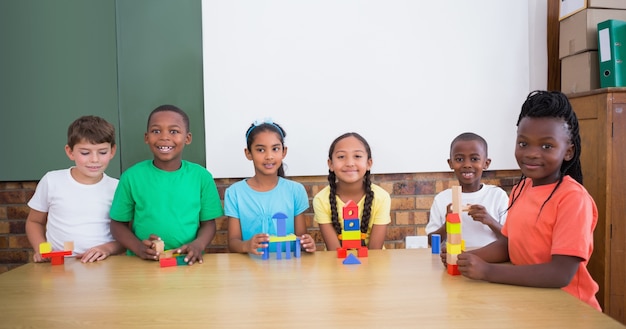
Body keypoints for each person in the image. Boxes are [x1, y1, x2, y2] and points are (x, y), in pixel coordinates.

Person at [449, 90, 601, 311]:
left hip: (570, 310)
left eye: (546, 146)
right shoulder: (522, 188)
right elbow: (509, 245)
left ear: (568, 152)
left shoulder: (573, 199)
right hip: (529, 303)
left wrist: (488, 271)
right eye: (523, 144)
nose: (531, 153)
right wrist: (464, 258)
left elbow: (560, 273)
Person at [109, 105, 223, 265]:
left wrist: (198, 244)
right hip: (143, 264)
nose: (164, 137)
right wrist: (138, 247)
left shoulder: (201, 177)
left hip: (187, 262)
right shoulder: (131, 177)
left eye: (174, 131)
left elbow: (209, 224)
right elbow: (117, 224)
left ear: (187, 138)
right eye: (156, 131)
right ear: (146, 137)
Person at [26, 115, 125, 263]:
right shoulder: (52, 181)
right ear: (70, 151)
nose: (94, 159)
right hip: (59, 267)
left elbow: (126, 236)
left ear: (112, 151)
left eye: (102, 152)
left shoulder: (117, 188)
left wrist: (106, 249)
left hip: (104, 265)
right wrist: (41, 248)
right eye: (85, 153)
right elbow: (34, 222)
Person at [225, 120, 316, 255]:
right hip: (250, 270)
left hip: (288, 268)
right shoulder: (235, 193)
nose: (269, 156)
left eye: (275, 149)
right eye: (260, 150)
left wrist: (306, 243)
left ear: (284, 152)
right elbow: (233, 243)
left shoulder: (295, 191)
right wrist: (246, 245)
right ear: (248, 153)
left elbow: (300, 238)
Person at [426, 132, 508, 248]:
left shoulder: (497, 196)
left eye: (474, 159)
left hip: (490, 261)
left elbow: (510, 238)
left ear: (486, 163)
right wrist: (448, 224)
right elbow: (431, 241)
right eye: (459, 159)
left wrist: (489, 220)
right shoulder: (442, 199)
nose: (467, 165)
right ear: (451, 163)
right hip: (453, 260)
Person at [313, 132, 390, 251]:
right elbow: (334, 251)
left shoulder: (382, 197)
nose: (349, 163)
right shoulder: (321, 199)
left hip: (373, 265)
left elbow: (375, 251)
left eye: (357, 156)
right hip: (335, 265)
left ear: (369, 163)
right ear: (330, 164)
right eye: (341, 157)